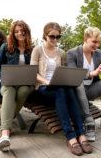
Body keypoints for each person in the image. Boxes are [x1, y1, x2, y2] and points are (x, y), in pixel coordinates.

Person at [30, 22, 92, 156]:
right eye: (52, 36)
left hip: (60, 89)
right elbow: (33, 73)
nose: (55, 40)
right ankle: (70, 136)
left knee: (67, 89)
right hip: (42, 89)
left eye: (58, 37)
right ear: (45, 36)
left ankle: (80, 134)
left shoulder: (62, 53)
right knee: (60, 90)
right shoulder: (37, 50)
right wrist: (47, 81)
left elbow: (64, 72)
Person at [67, 26, 101, 142]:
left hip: (92, 89)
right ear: (86, 38)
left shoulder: (98, 53)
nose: (97, 45)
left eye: (99, 43)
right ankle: (88, 122)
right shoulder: (72, 53)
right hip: (77, 91)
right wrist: (92, 73)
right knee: (78, 82)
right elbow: (72, 75)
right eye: (94, 42)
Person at [0, 20, 34, 152]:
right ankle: (5, 133)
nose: (19, 33)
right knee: (9, 92)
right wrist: (5, 77)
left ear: (27, 32)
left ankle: (4, 124)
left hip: (25, 83)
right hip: (8, 83)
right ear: (13, 33)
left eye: (22, 31)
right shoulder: (6, 47)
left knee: (23, 91)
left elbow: (35, 69)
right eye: (16, 31)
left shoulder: (31, 49)